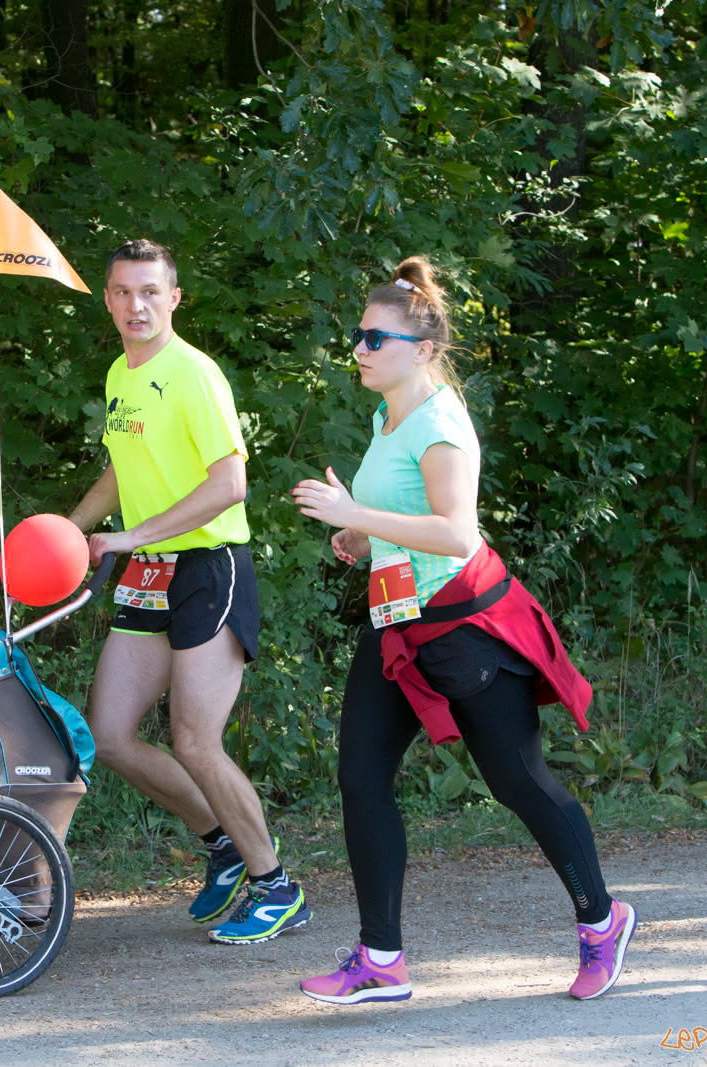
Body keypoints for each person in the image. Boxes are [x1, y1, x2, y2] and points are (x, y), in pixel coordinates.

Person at [290, 256, 635, 1003]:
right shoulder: (387, 417)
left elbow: (455, 533)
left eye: (374, 338)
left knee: (518, 782)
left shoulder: (441, 424)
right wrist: (362, 537)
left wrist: (355, 513)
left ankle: (602, 922)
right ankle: (382, 960)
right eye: (357, 335)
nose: (359, 348)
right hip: (397, 625)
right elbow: (406, 517)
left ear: (421, 349)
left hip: (466, 630)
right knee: (361, 780)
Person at [68, 238, 309, 944]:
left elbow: (230, 484)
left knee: (197, 741)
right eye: (122, 291)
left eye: (150, 291)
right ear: (107, 299)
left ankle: (277, 887)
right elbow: (122, 471)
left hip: (209, 567)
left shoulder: (194, 374)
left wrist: (131, 535)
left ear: (174, 298)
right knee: (110, 736)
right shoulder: (120, 374)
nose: (136, 305)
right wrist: (66, 530)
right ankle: (223, 842)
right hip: (149, 571)